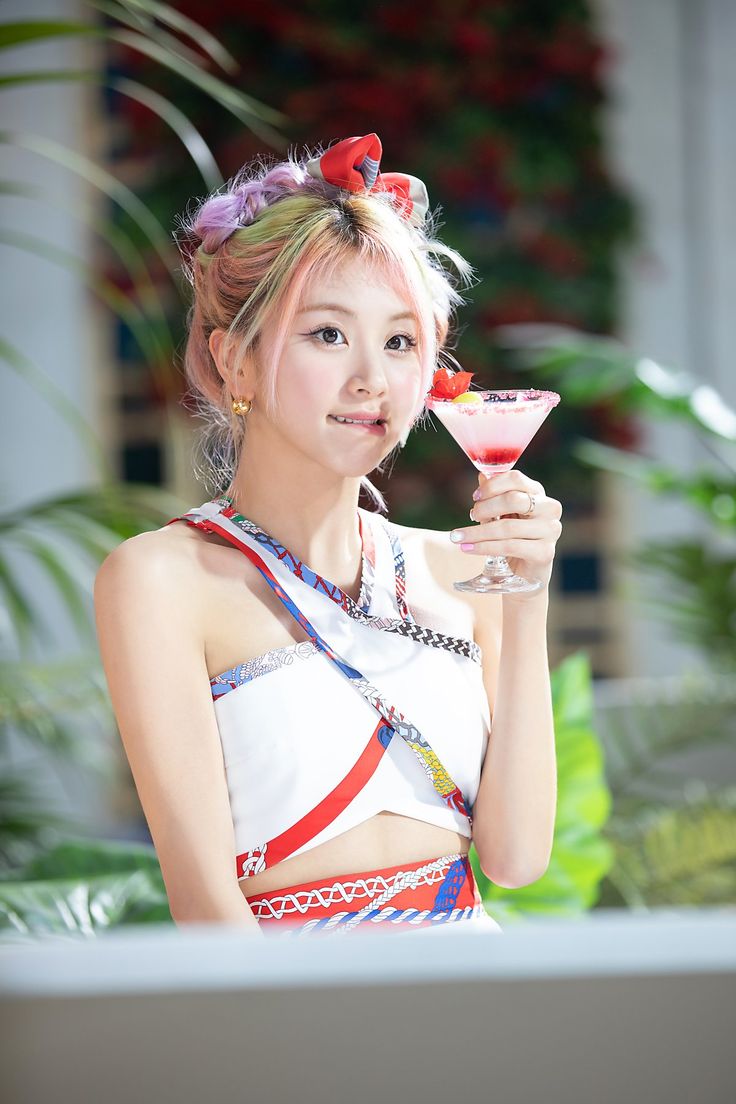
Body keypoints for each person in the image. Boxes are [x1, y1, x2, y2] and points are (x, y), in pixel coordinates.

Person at [94, 132, 562, 938]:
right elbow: (205, 906)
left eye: (400, 341)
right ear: (235, 362)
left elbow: (516, 860)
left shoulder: (461, 569)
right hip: (300, 1020)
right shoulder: (160, 580)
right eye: (328, 334)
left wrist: (524, 598)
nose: (372, 381)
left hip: (479, 998)